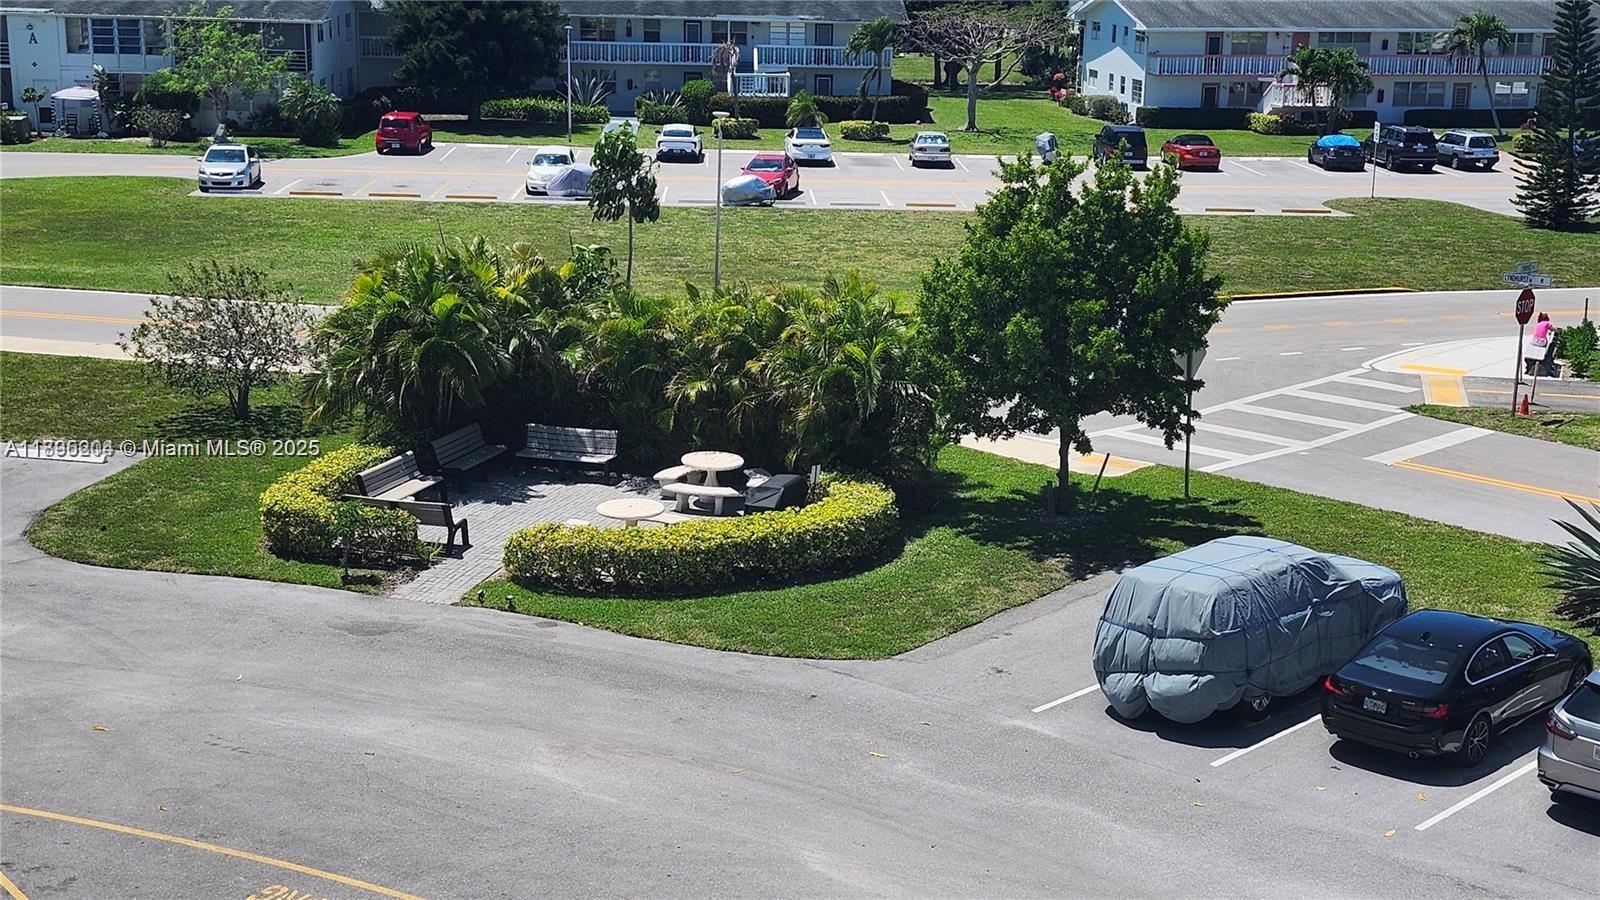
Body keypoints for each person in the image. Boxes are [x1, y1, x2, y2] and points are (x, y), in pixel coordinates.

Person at [1526, 312, 1555, 377]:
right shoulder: (1547, 323)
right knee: (1546, 341)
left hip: (1534, 341)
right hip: (1541, 342)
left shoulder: (1538, 324)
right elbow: (1553, 329)